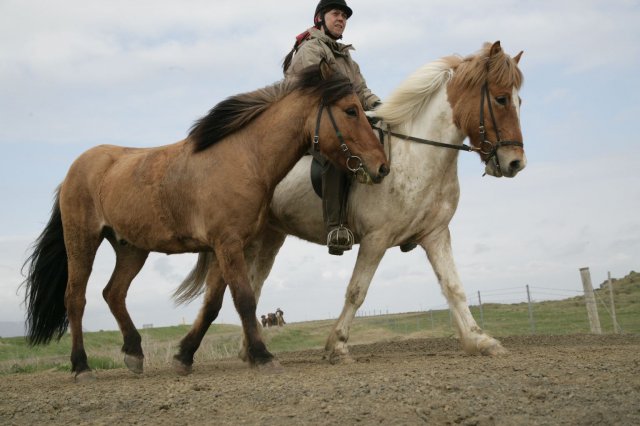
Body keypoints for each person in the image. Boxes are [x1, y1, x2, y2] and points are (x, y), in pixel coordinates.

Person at [283, 0, 381, 255]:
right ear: (320, 19)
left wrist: (379, 107)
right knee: (336, 155)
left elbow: (361, 90)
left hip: (339, 118)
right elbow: (315, 91)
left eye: (344, 16)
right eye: (336, 14)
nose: (341, 19)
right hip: (306, 122)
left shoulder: (345, 56)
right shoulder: (310, 49)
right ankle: (335, 227)